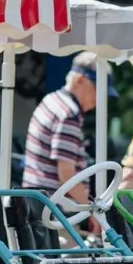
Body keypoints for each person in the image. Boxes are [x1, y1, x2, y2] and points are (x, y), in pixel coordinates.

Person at [22, 52, 110, 207]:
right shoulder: (69, 115)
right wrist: (92, 210)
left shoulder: (51, 100)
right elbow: (66, 176)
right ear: (80, 80)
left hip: (36, 204)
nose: (100, 100)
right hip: (54, 212)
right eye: (98, 90)